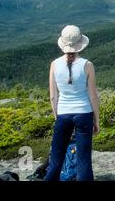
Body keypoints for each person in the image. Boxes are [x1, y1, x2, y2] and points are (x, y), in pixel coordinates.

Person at [44, 25, 100, 181]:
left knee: (56, 158)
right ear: (80, 45)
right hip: (84, 113)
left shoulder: (54, 65)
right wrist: (97, 120)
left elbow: (53, 97)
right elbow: (93, 96)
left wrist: (58, 117)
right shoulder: (87, 65)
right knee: (83, 159)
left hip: (63, 114)